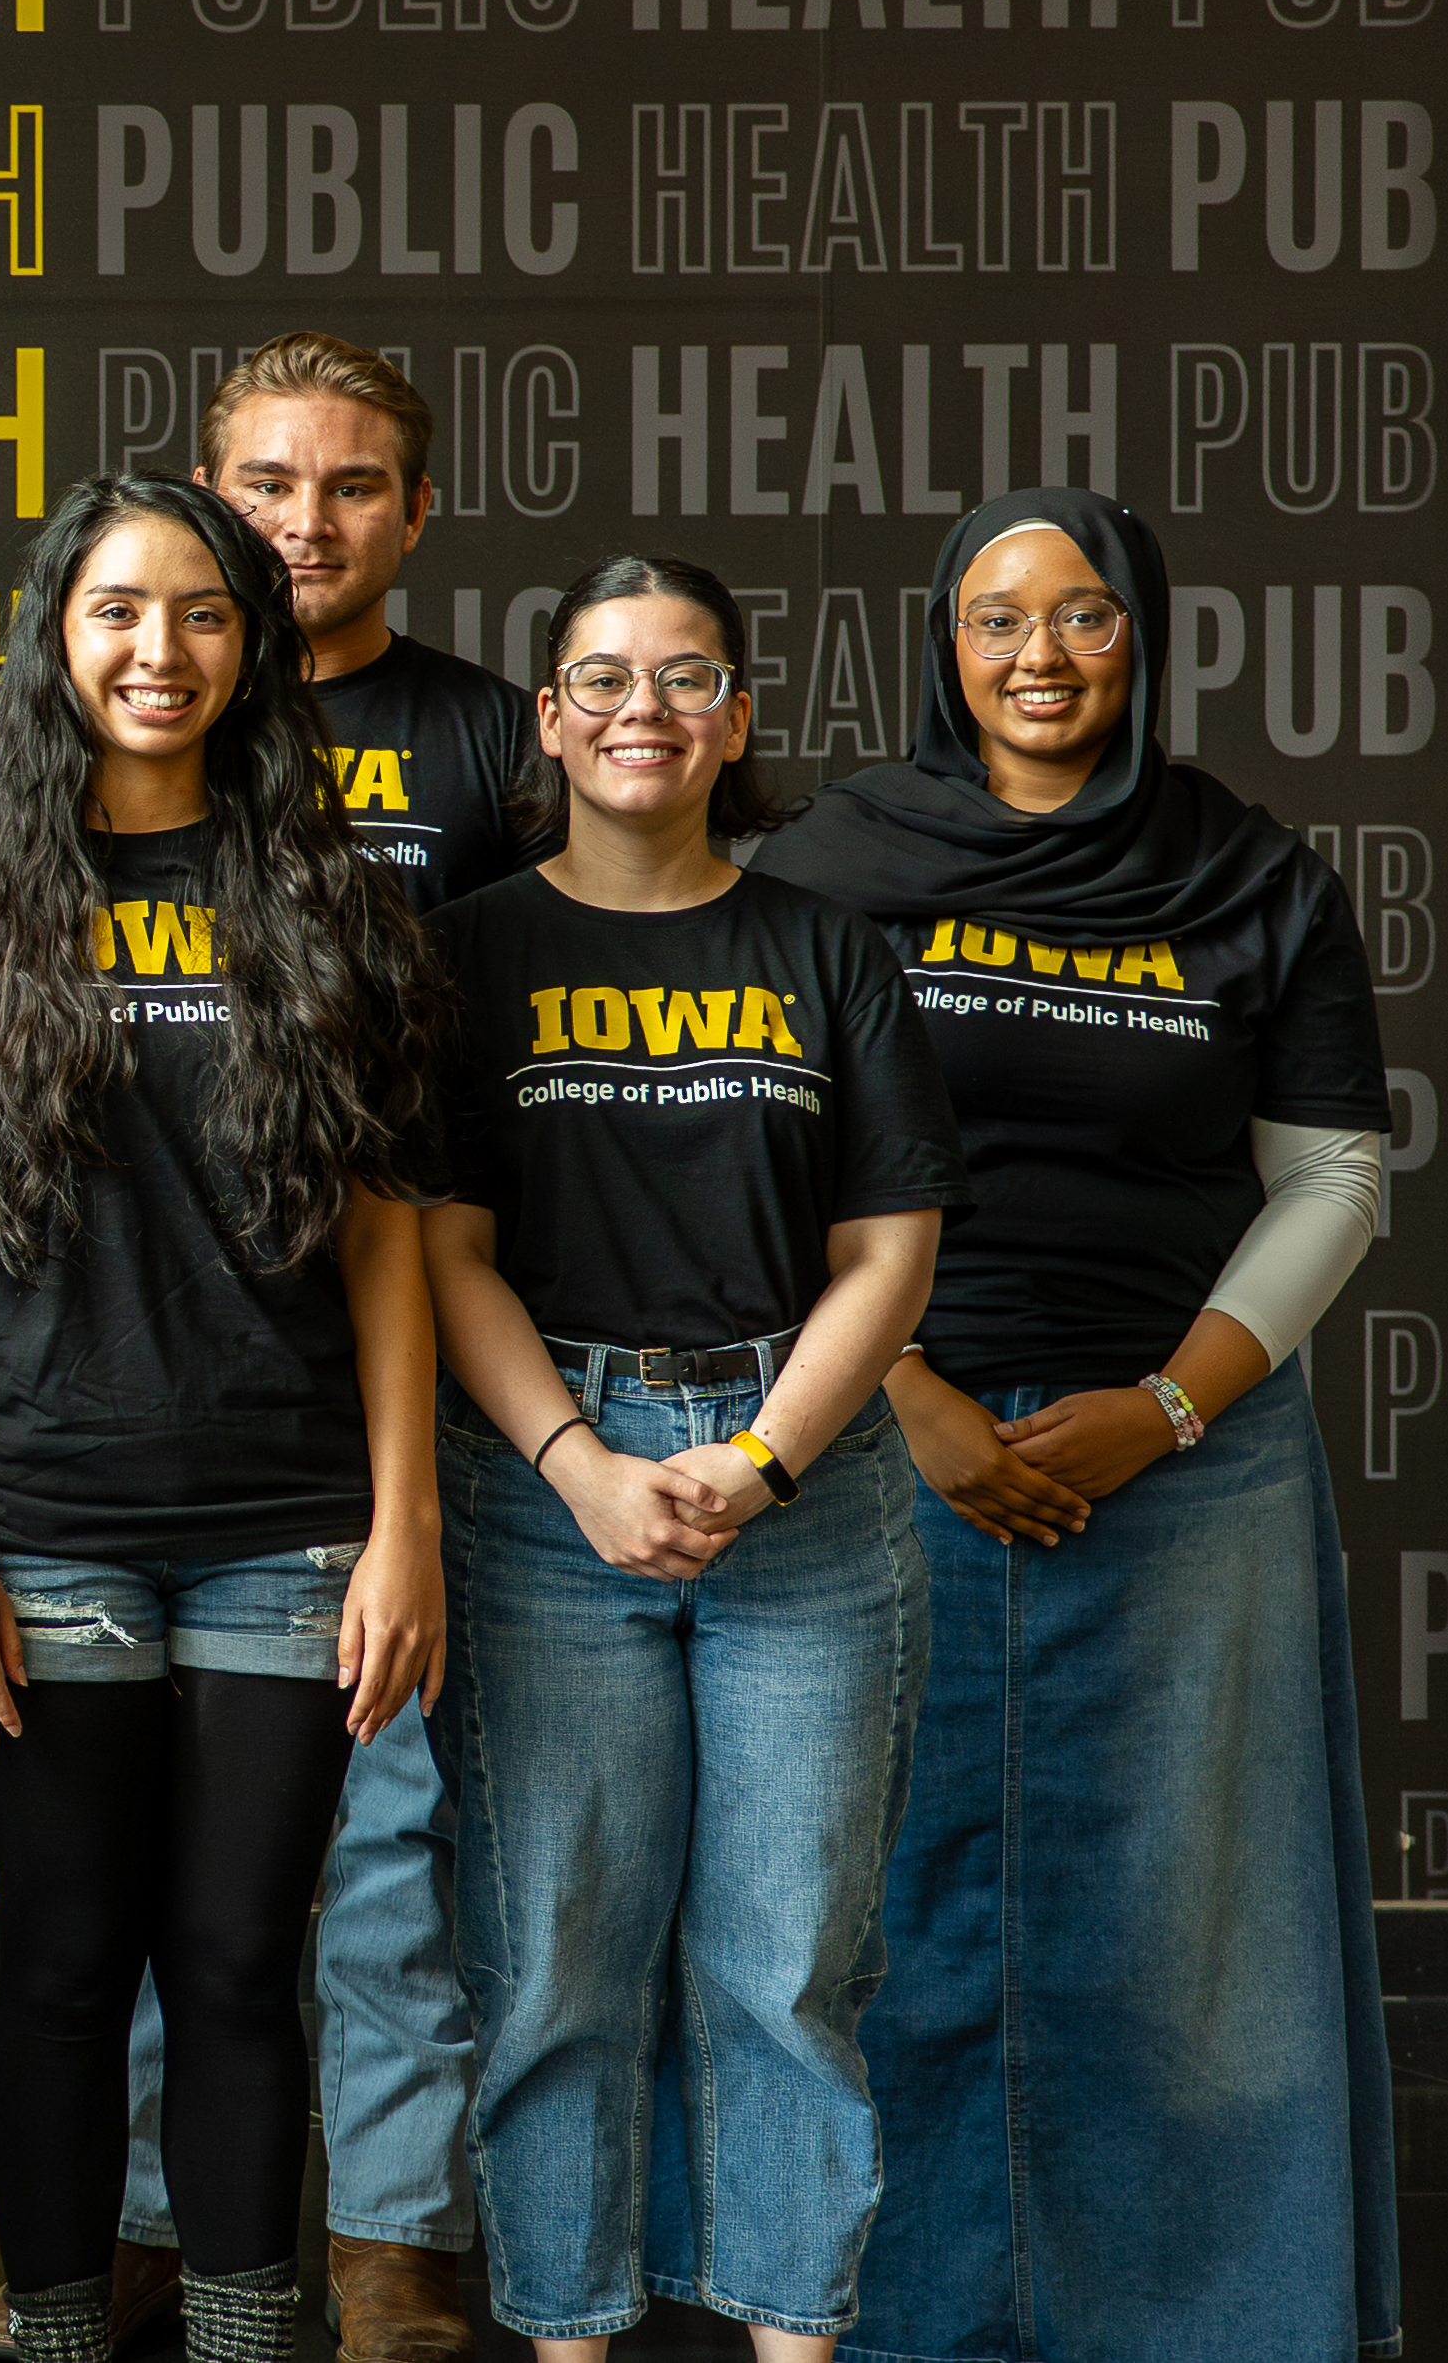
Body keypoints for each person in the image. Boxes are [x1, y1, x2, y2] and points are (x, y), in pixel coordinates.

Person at [751, 487, 1396, 2363]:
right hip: (877, 1444)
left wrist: (1173, 1401)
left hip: (1188, 1453)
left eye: (1086, 616)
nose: (1040, 655)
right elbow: (753, 1161)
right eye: (995, 618)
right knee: (884, 1912)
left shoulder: (1250, 874)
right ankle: (896, 2322)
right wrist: (911, 1395)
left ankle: (1202, 2321)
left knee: (1195, 1945)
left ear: (1144, 635)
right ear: (939, 646)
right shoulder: (835, 863)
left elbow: (1335, 1173)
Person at [0, 472, 447, 2363]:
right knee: (65, 1964)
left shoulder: (336, 905)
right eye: (115, 611)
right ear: (55, 639)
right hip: (42, 1523)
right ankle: (54, 2327)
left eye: (197, 612)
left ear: (249, 645)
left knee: (244, 1968)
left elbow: (387, 1247)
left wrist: (404, 1522)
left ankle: (252, 2334)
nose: (156, 651)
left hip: (285, 1518)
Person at [421, 559, 961, 2362]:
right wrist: (579, 1460)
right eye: (601, 676)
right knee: (560, 1959)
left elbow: (889, 1254)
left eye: (684, 679)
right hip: (537, 1480)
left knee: (788, 1967)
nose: (641, 708)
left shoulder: (823, 947)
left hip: (794, 1485)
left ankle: (789, 2334)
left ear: (734, 720)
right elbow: (440, 1245)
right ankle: (564, 2333)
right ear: (550, 718)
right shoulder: (470, 949)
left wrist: (759, 1460)